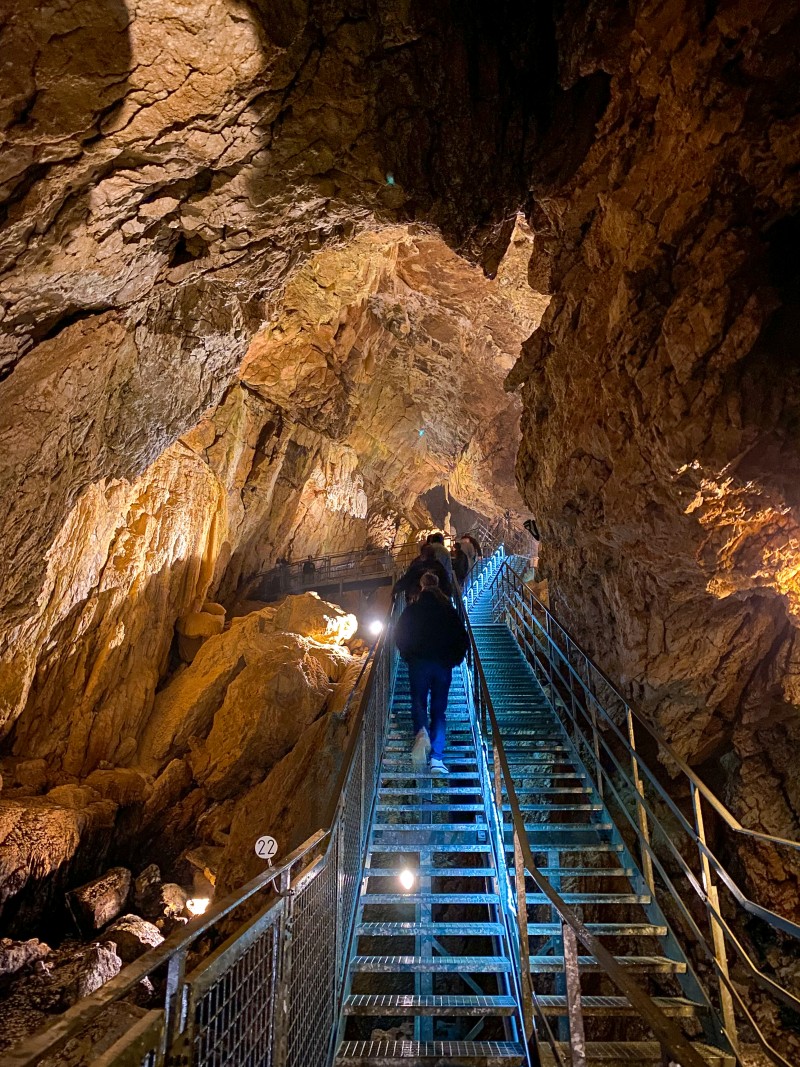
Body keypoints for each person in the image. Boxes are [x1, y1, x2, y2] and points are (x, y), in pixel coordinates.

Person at [394, 571, 469, 775]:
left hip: (419, 664)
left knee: (418, 701)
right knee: (439, 710)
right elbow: (462, 638)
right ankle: (437, 758)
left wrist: (408, 655)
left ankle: (421, 734)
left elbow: (399, 634)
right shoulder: (448, 610)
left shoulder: (413, 609)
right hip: (442, 665)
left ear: (422, 587)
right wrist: (454, 659)